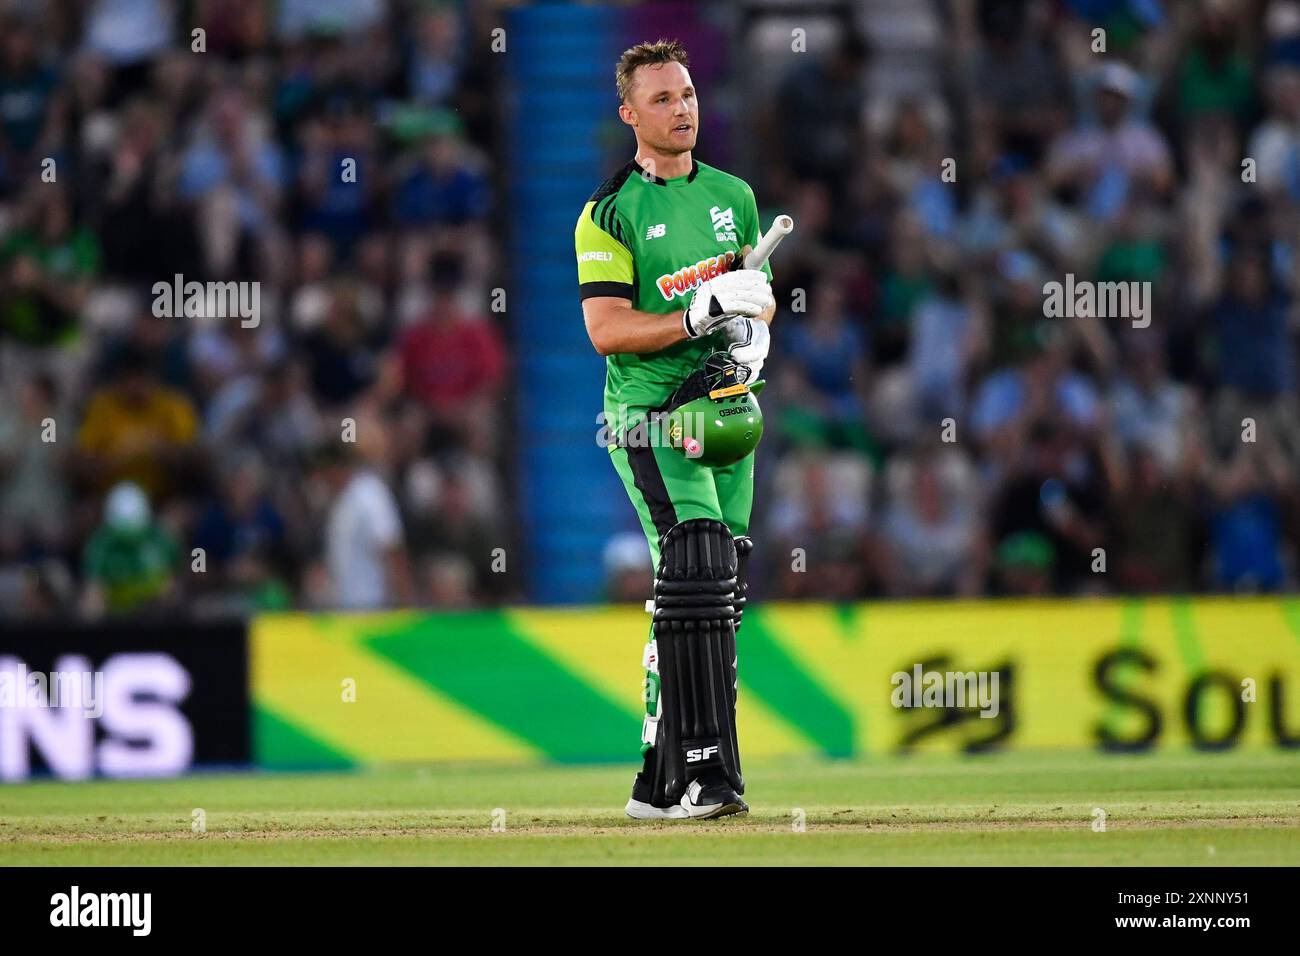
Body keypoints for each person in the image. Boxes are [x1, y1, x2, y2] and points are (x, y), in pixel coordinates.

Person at [575, 39, 776, 821]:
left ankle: (662, 785)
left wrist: (753, 331)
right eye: (661, 99)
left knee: (717, 585)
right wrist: (693, 313)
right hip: (650, 415)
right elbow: (606, 329)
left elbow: (757, 299)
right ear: (630, 114)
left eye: (687, 94)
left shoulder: (735, 194)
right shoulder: (609, 211)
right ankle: (701, 773)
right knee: (694, 560)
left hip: (723, 404)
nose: (681, 108)